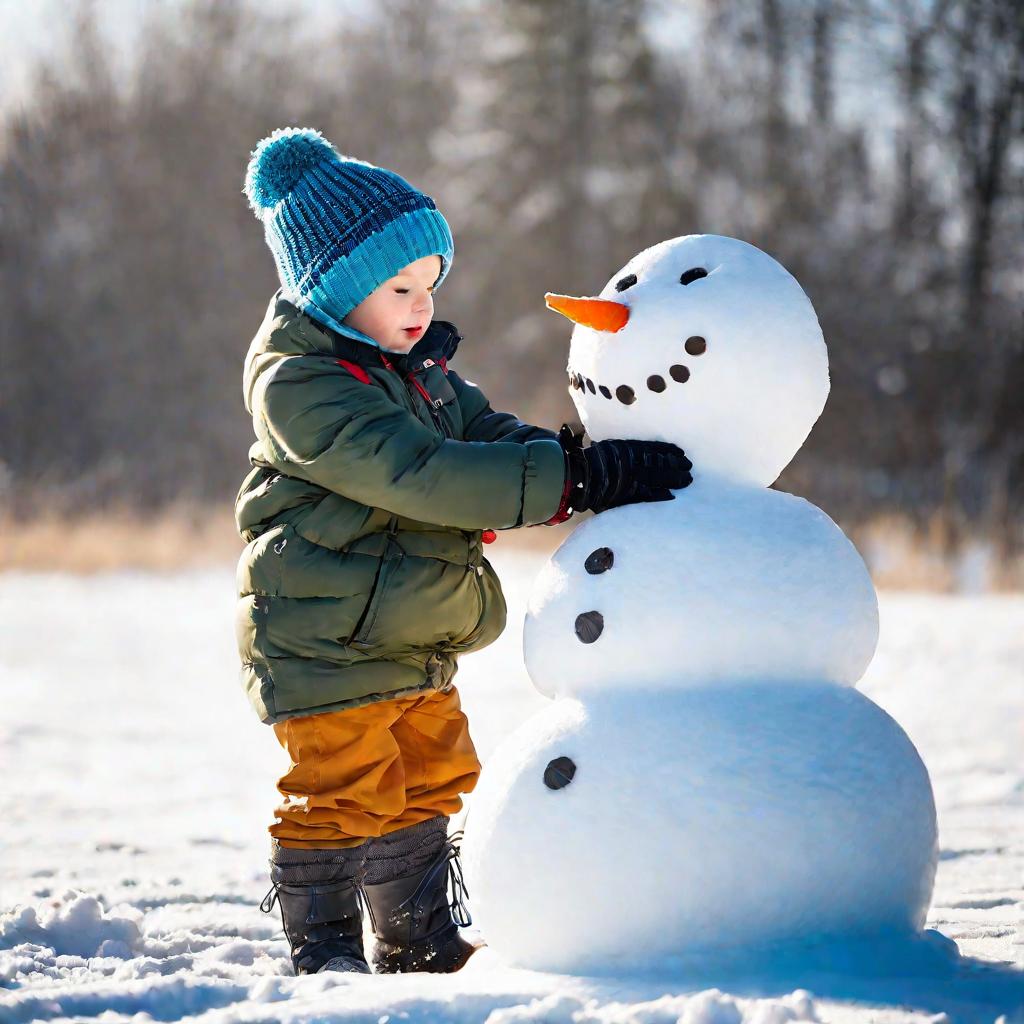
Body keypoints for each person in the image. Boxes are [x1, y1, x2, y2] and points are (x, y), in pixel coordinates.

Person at [236, 126, 693, 977]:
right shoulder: (303, 387)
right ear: (328, 290)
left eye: (431, 284)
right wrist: (571, 481)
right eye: (399, 287)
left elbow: (487, 435)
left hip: (409, 636)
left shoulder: (416, 371)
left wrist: (587, 461)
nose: (421, 306)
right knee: (342, 792)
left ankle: (418, 941)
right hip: (323, 641)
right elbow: (422, 473)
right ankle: (326, 953)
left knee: (427, 778)